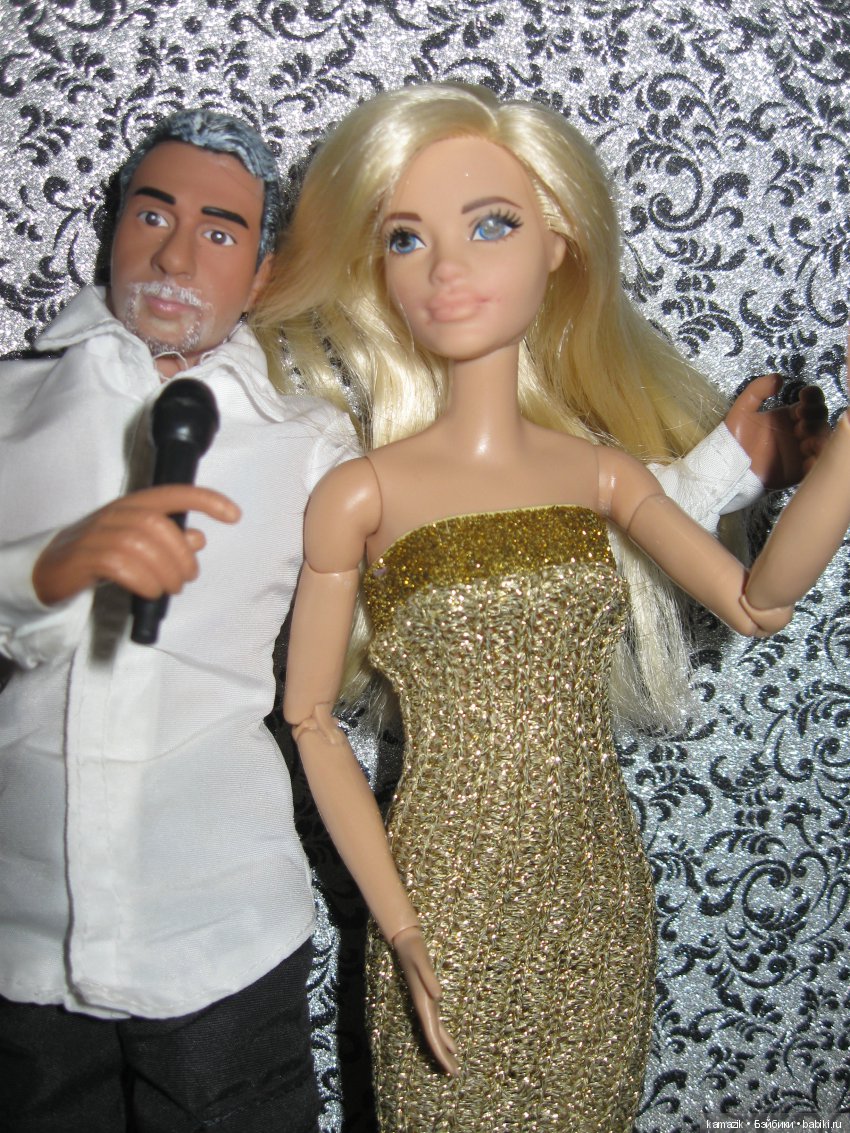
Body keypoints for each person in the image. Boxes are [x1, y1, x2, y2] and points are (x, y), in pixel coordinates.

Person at [253, 83, 849, 1132]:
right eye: (406, 238)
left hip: (592, 888)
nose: (446, 267)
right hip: (439, 893)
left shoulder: (598, 473)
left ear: (558, 245)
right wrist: (399, 925)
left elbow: (757, 602)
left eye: (490, 225)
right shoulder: (361, 494)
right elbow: (307, 719)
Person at [0, 110, 358, 1132]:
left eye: (219, 230)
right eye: (152, 215)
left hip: (217, 926)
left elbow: (454, 507)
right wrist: (46, 569)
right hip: (25, 923)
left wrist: (701, 481)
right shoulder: (13, 405)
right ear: (115, 225)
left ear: (262, 272)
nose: (173, 255)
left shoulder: (306, 437)